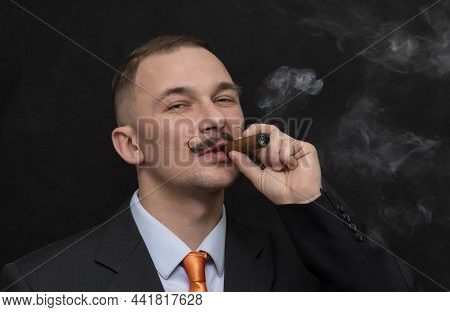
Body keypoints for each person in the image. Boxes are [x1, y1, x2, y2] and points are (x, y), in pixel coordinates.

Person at [0, 35, 416, 291]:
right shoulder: (43, 281)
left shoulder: (306, 264)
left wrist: (308, 203)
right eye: (178, 105)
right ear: (131, 147)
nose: (215, 119)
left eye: (223, 99)